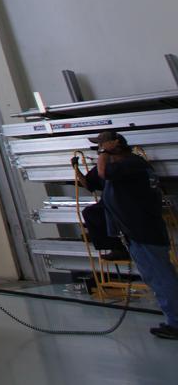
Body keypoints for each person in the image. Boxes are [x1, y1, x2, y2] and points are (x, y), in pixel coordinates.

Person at [73, 130, 178, 340]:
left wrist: (104, 153)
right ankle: (173, 320)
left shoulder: (131, 164)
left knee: (161, 278)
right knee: (156, 277)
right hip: (135, 233)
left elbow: (104, 173)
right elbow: (93, 181)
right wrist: (76, 168)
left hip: (144, 231)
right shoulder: (119, 166)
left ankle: (176, 323)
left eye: (102, 146)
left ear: (115, 145)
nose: (100, 151)